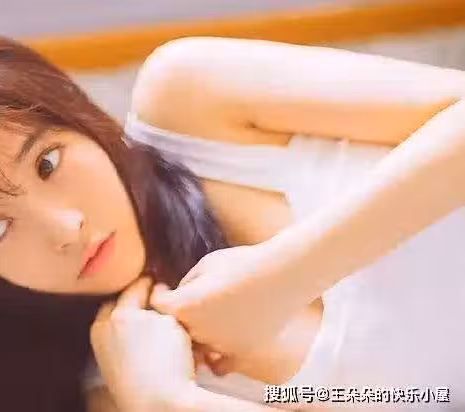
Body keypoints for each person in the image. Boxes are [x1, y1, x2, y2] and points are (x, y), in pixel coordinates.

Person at [0, 35, 282, 411]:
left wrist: (298, 266)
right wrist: (170, 402)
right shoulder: (123, 387)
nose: (66, 228)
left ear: (77, 117)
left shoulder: (195, 102)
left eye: (47, 163)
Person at [127, 37, 465, 409]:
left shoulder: (185, 100)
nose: (76, 225)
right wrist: (171, 400)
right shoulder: (133, 381)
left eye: (51, 164)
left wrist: (286, 277)